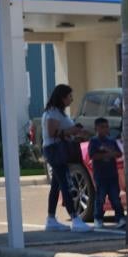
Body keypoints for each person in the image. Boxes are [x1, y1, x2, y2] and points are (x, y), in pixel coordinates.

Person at [41, 85, 88, 233]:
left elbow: (62, 132)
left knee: (56, 185)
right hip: (55, 150)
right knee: (65, 183)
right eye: (69, 96)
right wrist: (72, 131)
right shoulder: (53, 113)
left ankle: (51, 218)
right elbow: (52, 133)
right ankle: (75, 218)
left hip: (57, 149)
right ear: (62, 97)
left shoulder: (58, 112)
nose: (71, 99)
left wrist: (75, 135)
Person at [86, 117, 125, 230]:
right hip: (100, 176)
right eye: (102, 127)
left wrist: (110, 152)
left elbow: (118, 153)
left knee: (115, 198)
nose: (105, 129)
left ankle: (120, 218)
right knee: (100, 198)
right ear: (96, 128)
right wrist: (106, 155)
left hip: (112, 175)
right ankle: (98, 218)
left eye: (106, 127)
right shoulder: (94, 141)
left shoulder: (111, 141)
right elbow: (92, 155)